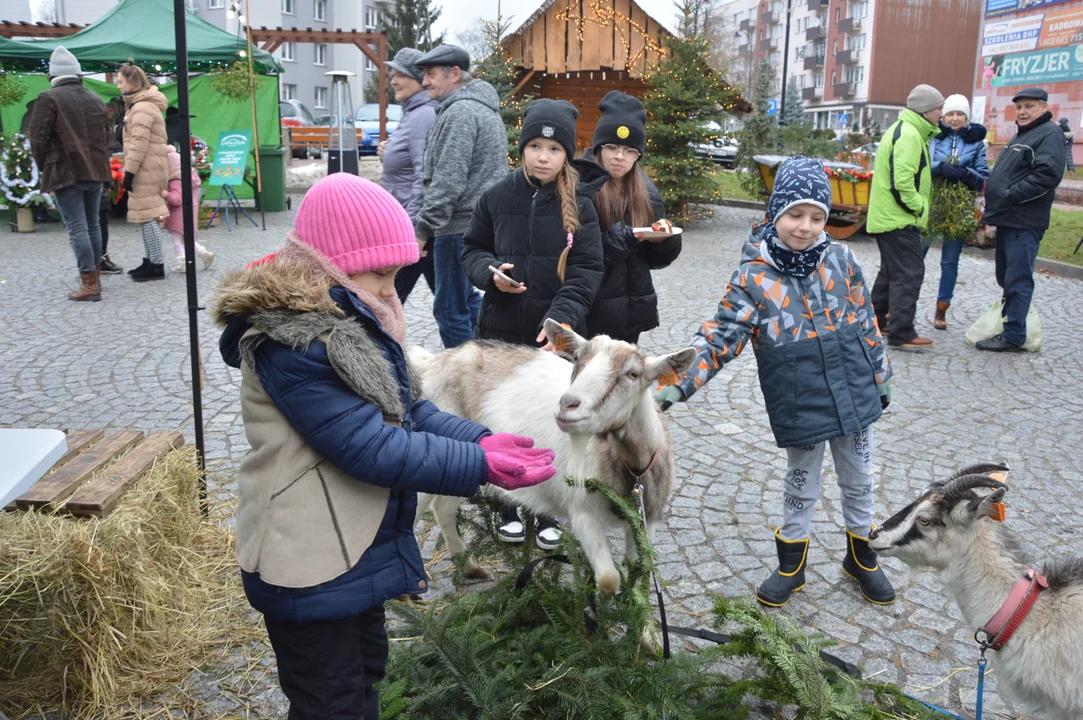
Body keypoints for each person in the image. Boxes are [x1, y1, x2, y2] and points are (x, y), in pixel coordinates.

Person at [212, 173, 557, 719]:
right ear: (327, 265)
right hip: (306, 554)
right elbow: (368, 446)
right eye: (379, 273)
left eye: (396, 273)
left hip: (353, 545)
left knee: (366, 671)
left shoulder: (350, 321)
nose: (388, 289)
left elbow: (410, 409)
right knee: (331, 700)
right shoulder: (295, 342)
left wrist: (482, 438)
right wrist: (478, 464)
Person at [654, 157, 895, 607]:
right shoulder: (754, 277)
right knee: (800, 480)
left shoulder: (842, 259)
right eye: (795, 215)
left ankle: (862, 557)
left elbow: (867, 321)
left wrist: (881, 374)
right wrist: (677, 380)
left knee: (859, 477)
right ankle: (792, 564)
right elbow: (721, 335)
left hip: (855, 388)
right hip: (800, 397)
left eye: (817, 217)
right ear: (775, 214)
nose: (805, 227)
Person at [461, 99, 605, 548]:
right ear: (522, 148)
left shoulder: (581, 203)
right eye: (535, 146)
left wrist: (562, 318)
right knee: (503, 417)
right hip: (499, 332)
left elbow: (587, 269)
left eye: (554, 149)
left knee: (549, 419)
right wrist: (489, 273)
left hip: (553, 339)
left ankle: (549, 512)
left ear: (567, 155)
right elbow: (471, 249)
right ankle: (509, 502)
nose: (543, 156)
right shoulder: (497, 196)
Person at [412, 44, 507, 348]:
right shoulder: (479, 107)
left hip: (457, 230)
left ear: (454, 73)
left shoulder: (461, 112)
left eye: (430, 74)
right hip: (478, 225)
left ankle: (461, 385)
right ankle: (490, 358)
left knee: (449, 308)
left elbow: (448, 180)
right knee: (468, 300)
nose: (424, 81)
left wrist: (423, 230)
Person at [583, 91, 680, 345]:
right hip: (586, 310)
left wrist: (664, 241)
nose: (619, 156)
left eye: (629, 150)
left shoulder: (647, 193)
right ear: (598, 148)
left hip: (629, 314)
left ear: (638, 156)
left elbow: (655, 261)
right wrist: (620, 239)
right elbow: (572, 251)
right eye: (612, 147)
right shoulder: (579, 187)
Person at [978, 87, 1066, 352]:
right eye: (1018, 107)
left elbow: (1048, 176)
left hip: (1024, 222)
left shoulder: (1049, 133)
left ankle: (1014, 335)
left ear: (1043, 107)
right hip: (1010, 220)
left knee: (1017, 278)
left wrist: (1009, 194)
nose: (1023, 111)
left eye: (1029, 106)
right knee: (1006, 276)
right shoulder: (1025, 134)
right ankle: (1011, 324)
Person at [28, 46, 111, 302]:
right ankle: (93, 276)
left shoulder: (48, 98)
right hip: (96, 171)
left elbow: (37, 140)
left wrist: (45, 167)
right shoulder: (95, 98)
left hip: (66, 172)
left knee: (77, 228)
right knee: (92, 226)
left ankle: (89, 283)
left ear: (52, 75)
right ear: (78, 74)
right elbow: (104, 137)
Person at [866, 84, 944, 350]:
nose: (941, 114)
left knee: (891, 272)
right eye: (939, 108)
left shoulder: (906, 130)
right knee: (909, 272)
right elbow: (902, 182)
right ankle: (901, 332)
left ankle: (877, 321)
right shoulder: (909, 134)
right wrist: (919, 207)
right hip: (899, 218)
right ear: (926, 110)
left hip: (889, 217)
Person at [377, 47, 439, 306]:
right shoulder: (414, 112)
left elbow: (423, 176)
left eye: (400, 74)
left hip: (412, 230)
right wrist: (388, 152)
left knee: (386, 299)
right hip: (410, 226)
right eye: (392, 74)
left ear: (419, 78)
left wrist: (414, 233)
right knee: (454, 302)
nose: (393, 80)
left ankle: (376, 345)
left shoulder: (423, 115)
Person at [927, 94, 988, 330]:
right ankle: (904, 304)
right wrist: (939, 168)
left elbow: (984, 177)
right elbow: (922, 164)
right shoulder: (934, 136)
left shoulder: (976, 142)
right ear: (944, 115)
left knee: (950, 262)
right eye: (950, 113)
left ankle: (941, 309)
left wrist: (965, 174)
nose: (954, 118)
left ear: (966, 117)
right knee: (916, 256)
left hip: (959, 207)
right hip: (933, 203)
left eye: (959, 114)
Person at [117, 64, 170, 282]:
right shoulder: (141, 105)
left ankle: (156, 265)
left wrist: (129, 172)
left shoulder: (141, 108)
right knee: (145, 215)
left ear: (132, 82)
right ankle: (150, 261)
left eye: (120, 81)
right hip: (148, 166)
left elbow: (138, 142)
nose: (119, 85)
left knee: (147, 216)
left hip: (145, 168)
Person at [161, 145, 214, 273]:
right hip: (189, 212)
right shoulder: (188, 177)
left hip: (178, 215)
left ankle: (182, 261)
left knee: (177, 238)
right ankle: (203, 252)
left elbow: (176, 199)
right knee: (187, 238)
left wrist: (165, 194)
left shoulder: (175, 181)